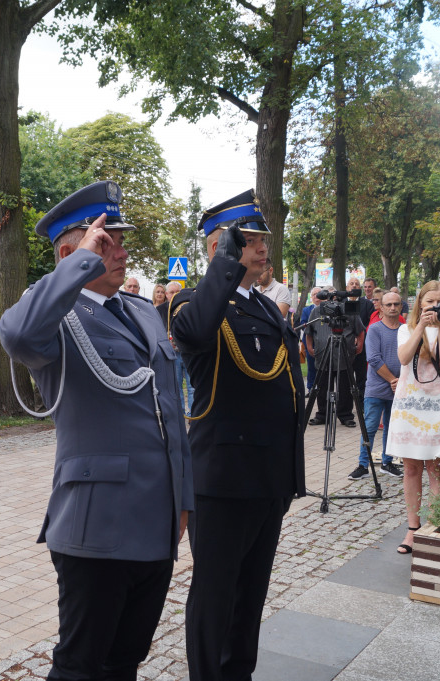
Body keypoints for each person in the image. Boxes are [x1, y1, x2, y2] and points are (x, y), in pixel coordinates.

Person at [0, 180, 192, 681]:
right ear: (70, 253)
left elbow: (172, 411)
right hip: (97, 527)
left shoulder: (144, 313)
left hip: (156, 521)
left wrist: (183, 499)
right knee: (80, 665)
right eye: (108, 242)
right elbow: (17, 334)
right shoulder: (56, 317)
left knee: (125, 660)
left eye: (120, 241)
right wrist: (79, 265)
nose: (123, 252)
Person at [167, 189, 305, 681]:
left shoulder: (268, 309)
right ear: (220, 247)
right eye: (247, 239)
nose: (260, 247)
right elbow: (197, 332)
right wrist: (222, 267)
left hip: (267, 479)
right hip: (223, 482)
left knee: (250, 599)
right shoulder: (193, 304)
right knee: (215, 598)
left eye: (262, 237)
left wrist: (290, 475)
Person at [387, 281, 440, 554]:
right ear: (420, 303)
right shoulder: (406, 330)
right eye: (429, 301)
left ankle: (435, 525)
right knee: (411, 469)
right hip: (409, 407)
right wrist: (420, 326)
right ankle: (413, 528)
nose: (433, 306)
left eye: (439, 301)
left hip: (439, 408)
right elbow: (404, 358)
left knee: (436, 469)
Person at [350, 291, 404, 480]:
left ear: (401, 306)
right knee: (370, 426)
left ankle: (387, 462)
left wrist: (401, 382)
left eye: (396, 304)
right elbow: (373, 358)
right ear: (381, 306)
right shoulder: (374, 329)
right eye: (388, 304)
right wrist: (392, 380)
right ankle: (363, 465)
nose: (392, 308)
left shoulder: (406, 330)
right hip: (377, 387)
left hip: (399, 388)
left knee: (392, 427)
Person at [306, 289, 364, 428]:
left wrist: (360, 346)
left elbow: (360, 330)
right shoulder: (317, 311)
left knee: (345, 388)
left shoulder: (349, 310)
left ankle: (345, 416)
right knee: (321, 387)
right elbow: (309, 331)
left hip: (345, 356)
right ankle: (322, 414)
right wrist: (309, 347)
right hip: (323, 355)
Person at [157, 281, 193, 414]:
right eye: (171, 292)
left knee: (192, 387)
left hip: (188, 352)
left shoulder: (189, 306)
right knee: (176, 387)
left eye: (177, 292)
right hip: (171, 354)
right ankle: (180, 413)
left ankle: (193, 415)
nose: (174, 295)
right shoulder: (160, 310)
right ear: (166, 294)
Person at [299, 287, 321, 395]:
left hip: (323, 341)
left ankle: (322, 388)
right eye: (314, 294)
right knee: (311, 367)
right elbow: (303, 324)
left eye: (318, 294)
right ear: (311, 297)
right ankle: (311, 388)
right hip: (310, 342)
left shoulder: (326, 308)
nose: (316, 296)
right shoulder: (306, 310)